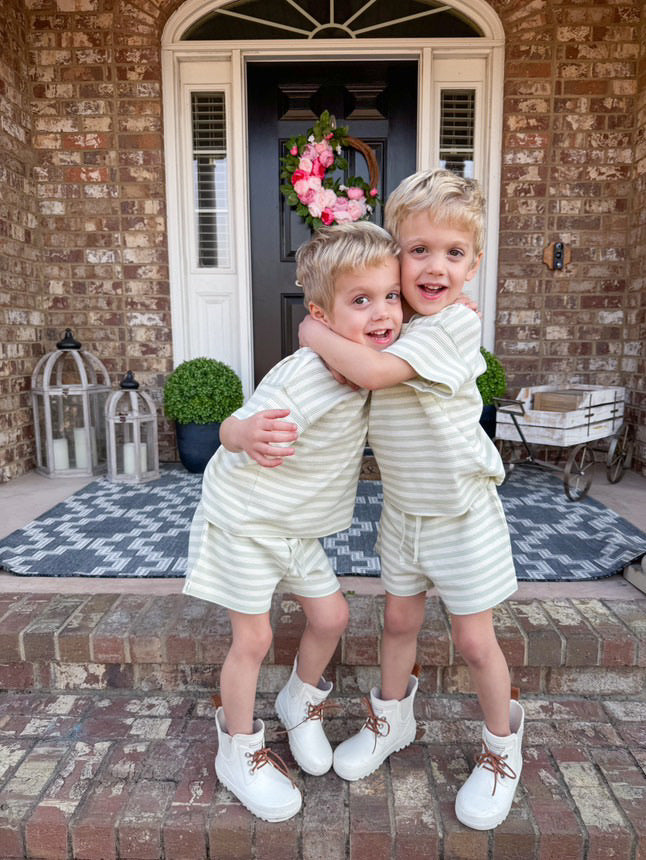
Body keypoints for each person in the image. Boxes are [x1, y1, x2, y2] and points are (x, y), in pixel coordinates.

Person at [298, 169, 522, 831]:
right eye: (418, 250)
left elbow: (361, 370)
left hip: (461, 516)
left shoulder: (449, 327)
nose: (434, 266)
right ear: (395, 255)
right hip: (404, 514)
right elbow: (353, 365)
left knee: (476, 643)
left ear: (474, 264)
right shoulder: (387, 323)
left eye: (453, 253)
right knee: (397, 625)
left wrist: (309, 330)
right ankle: (392, 720)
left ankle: (502, 749)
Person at [183, 221, 402, 822]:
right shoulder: (302, 375)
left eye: (391, 297)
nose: (382, 312)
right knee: (252, 638)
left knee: (331, 616)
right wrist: (242, 432)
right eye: (361, 300)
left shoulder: (371, 369)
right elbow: (230, 429)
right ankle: (239, 749)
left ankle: (298, 701)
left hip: (295, 528)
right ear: (321, 316)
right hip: (246, 521)